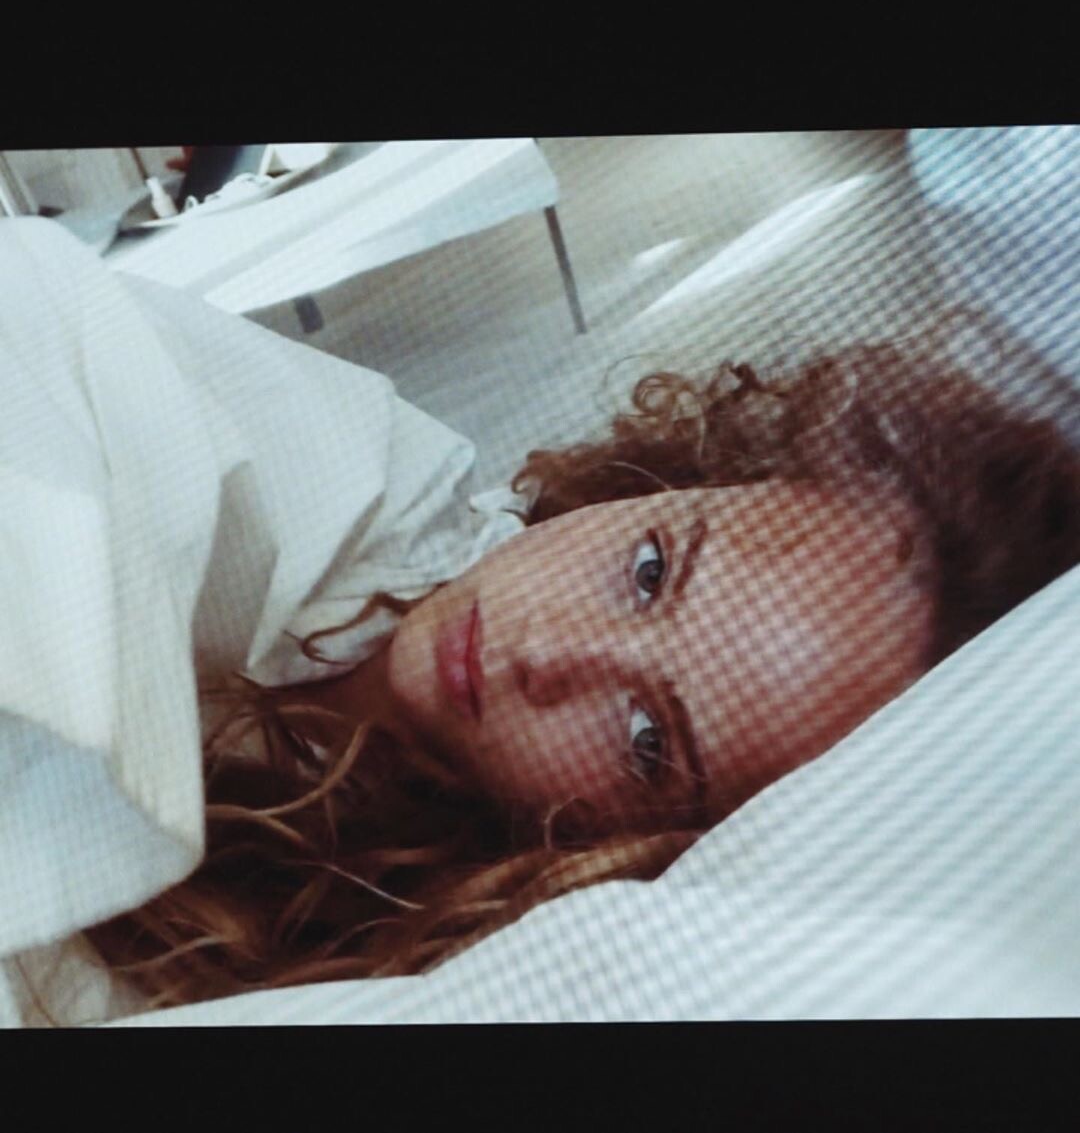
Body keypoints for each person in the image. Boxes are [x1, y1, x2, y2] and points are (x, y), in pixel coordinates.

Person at [85, 332, 1080, 1009]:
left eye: (648, 741)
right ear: (679, 478)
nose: (548, 653)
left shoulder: (393, 973)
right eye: (649, 570)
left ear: (639, 844)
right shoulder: (330, 455)